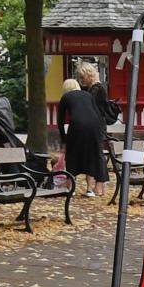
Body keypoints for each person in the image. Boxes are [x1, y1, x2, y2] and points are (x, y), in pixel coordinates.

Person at [58, 64, 111, 200]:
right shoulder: (87, 95)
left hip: (77, 125)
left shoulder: (66, 97)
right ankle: (90, 189)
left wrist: (64, 141)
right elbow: (95, 112)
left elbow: (60, 121)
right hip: (95, 126)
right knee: (91, 155)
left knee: (72, 154)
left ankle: (71, 188)